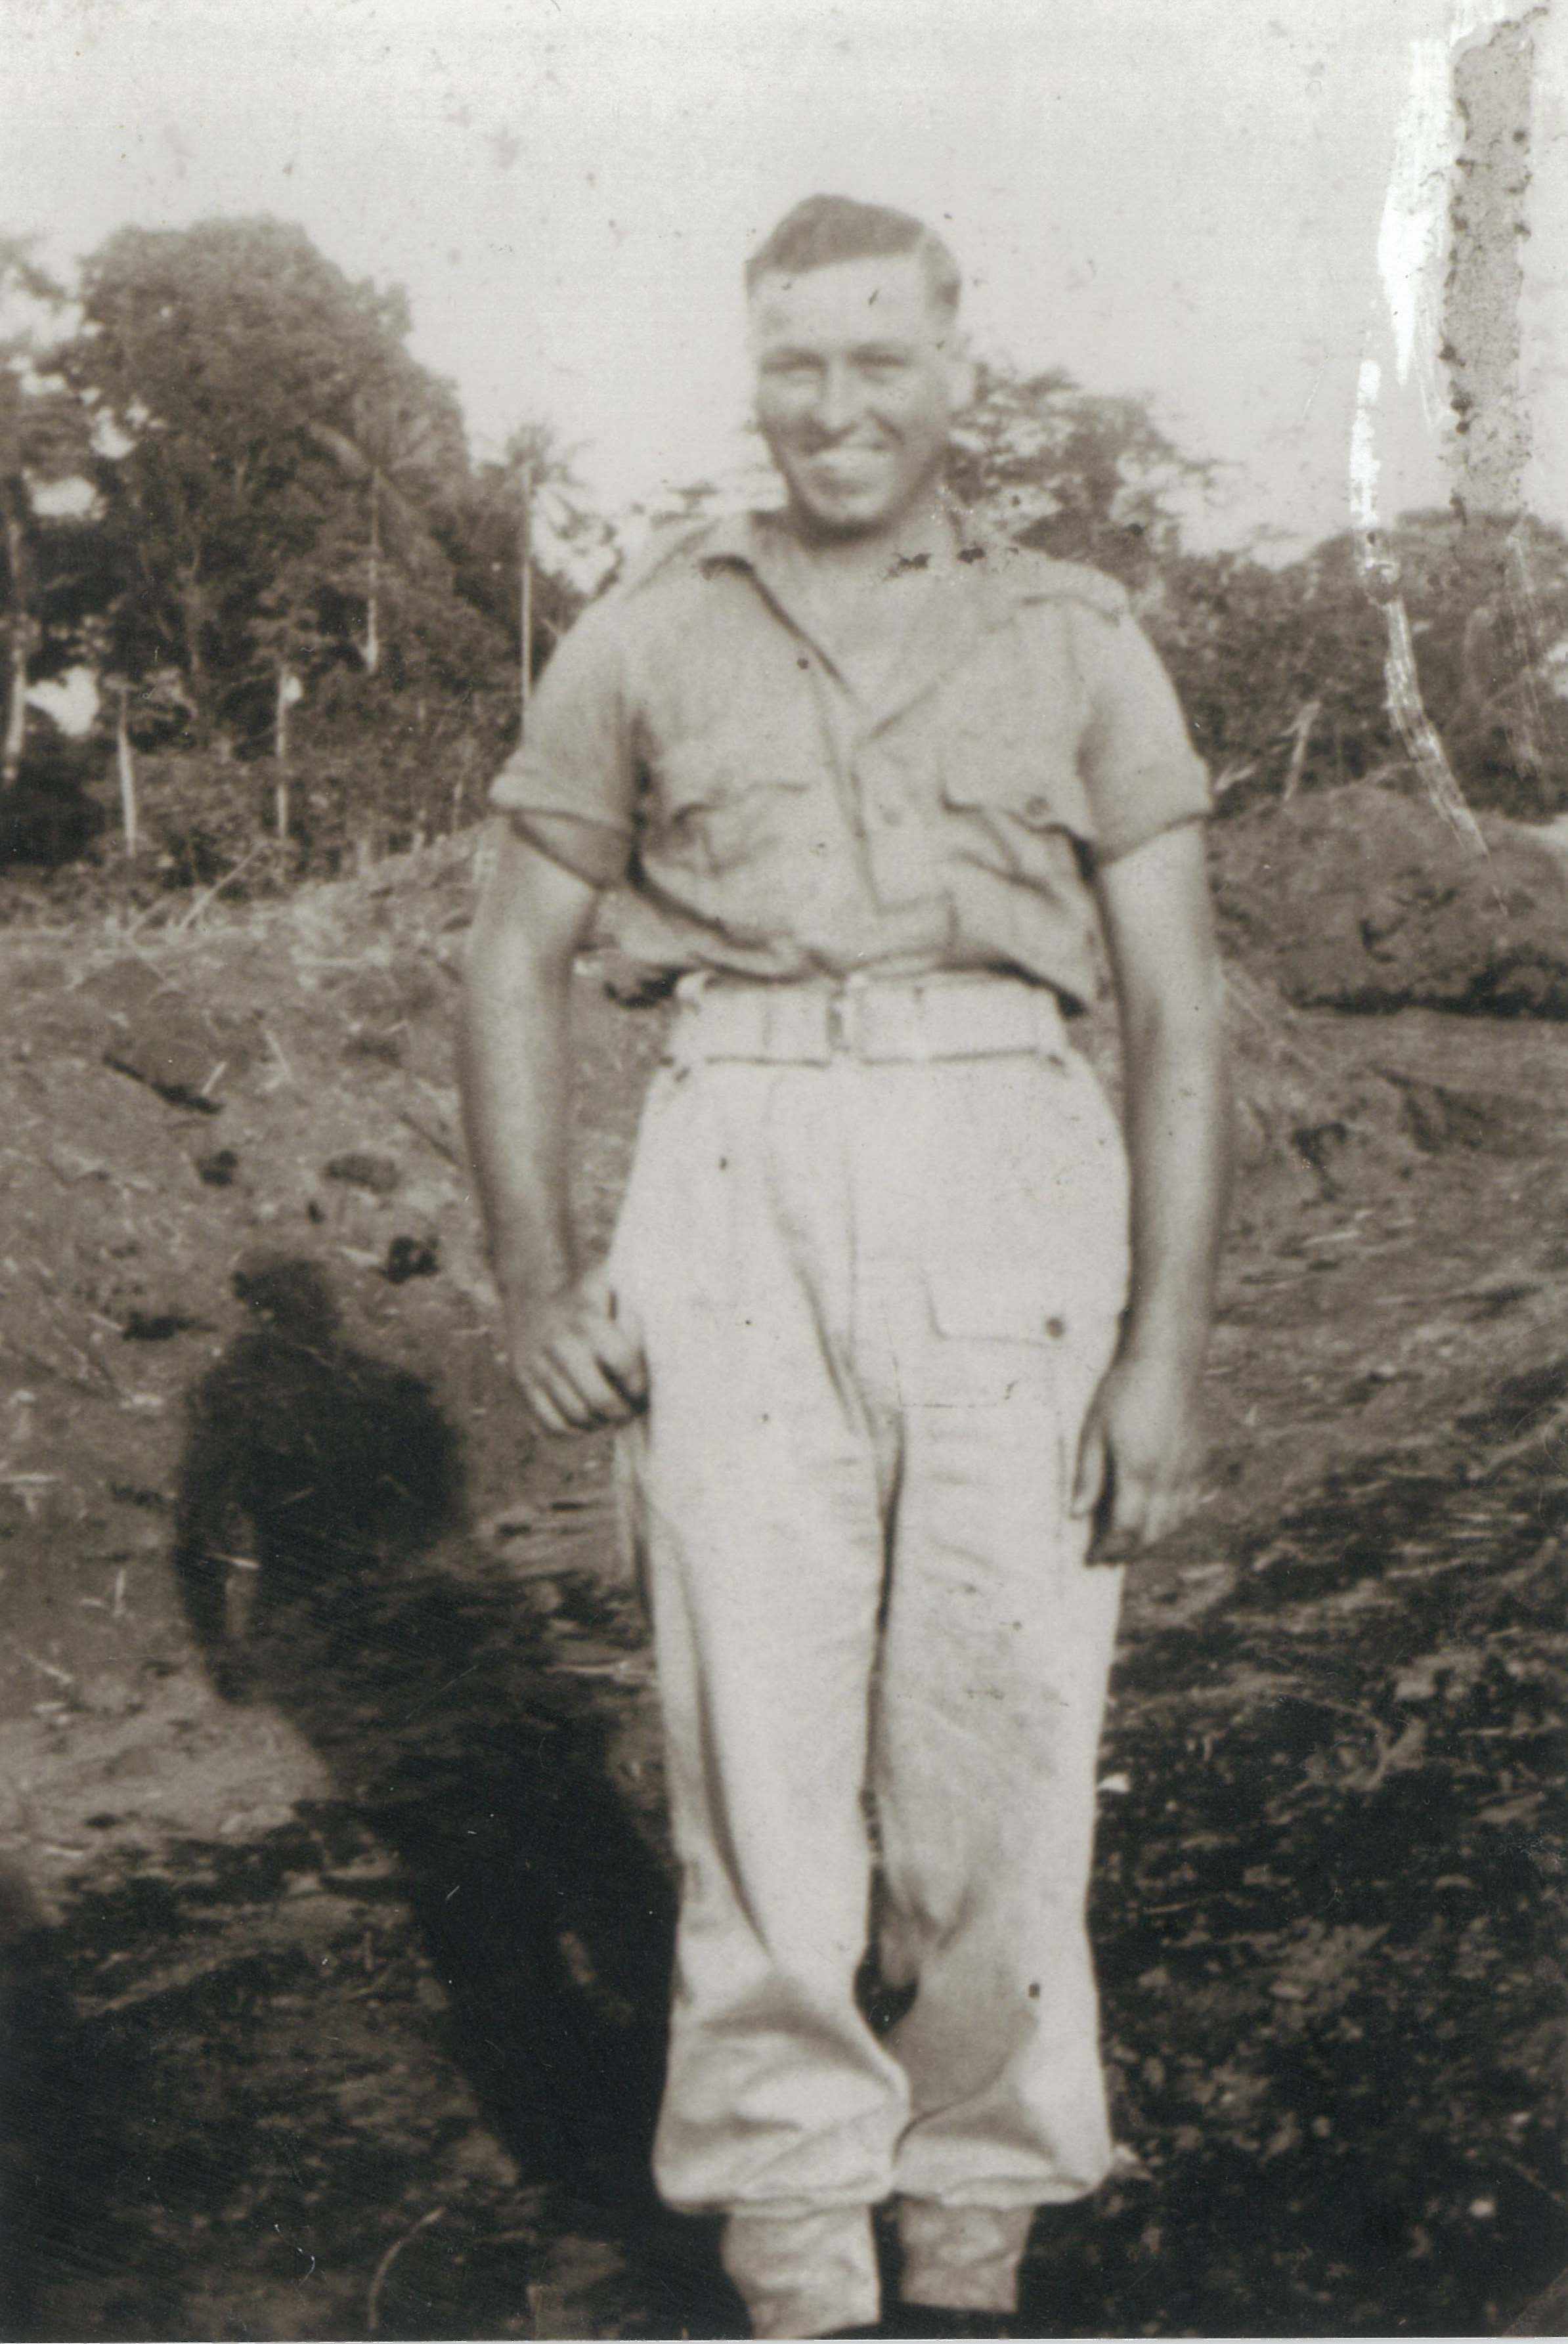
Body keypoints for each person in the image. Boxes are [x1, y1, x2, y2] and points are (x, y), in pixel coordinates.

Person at [460, 194, 1229, 2341]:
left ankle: (971, 2232)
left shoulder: (1077, 632)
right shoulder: (645, 630)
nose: (836, 407)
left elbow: (1175, 1006)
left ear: (954, 371)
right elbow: (512, 952)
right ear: (755, 375)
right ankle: (802, 2249)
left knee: (997, 1740)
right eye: (797, 363)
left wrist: (1164, 1349)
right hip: (734, 1165)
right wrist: (535, 1277)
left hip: (1010, 1160)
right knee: (757, 1750)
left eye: (878, 360)